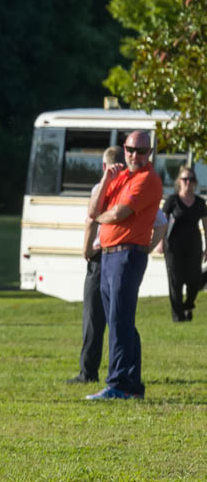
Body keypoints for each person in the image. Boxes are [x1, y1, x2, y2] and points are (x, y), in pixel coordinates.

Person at [83, 130, 164, 400]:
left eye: (142, 151)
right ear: (124, 149)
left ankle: (117, 383)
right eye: (131, 149)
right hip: (109, 254)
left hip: (127, 255)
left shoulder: (148, 179)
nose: (135, 156)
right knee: (122, 320)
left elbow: (119, 213)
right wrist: (107, 178)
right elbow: (94, 207)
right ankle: (131, 384)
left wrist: (98, 218)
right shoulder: (120, 178)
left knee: (119, 320)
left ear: (149, 153)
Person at [68, 146, 124, 385]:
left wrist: (86, 247)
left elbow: (91, 220)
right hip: (124, 257)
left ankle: (88, 372)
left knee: (93, 317)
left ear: (104, 167)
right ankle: (120, 370)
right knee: (120, 317)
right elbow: (161, 222)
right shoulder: (134, 189)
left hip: (101, 255)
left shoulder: (100, 189)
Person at [162, 165, 207, 321]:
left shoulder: (200, 203)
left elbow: (206, 226)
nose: (188, 182)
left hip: (194, 246)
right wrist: (160, 242)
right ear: (179, 181)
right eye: (185, 179)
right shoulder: (172, 201)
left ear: (195, 182)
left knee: (194, 280)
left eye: (191, 179)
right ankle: (178, 316)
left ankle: (188, 304)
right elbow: (162, 223)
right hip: (173, 247)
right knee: (175, 281)